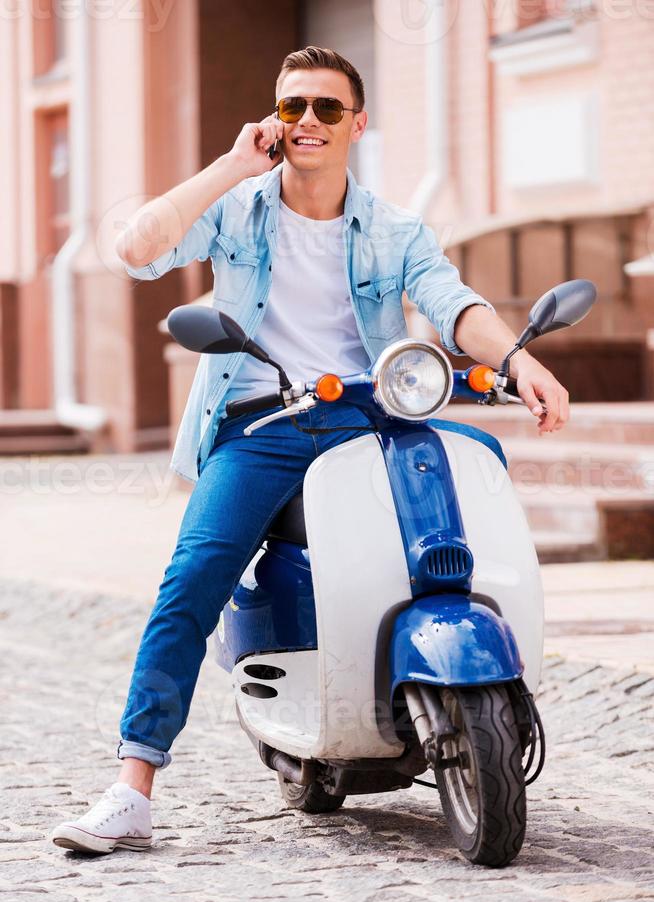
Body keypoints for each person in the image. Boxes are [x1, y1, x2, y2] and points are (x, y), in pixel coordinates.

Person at [51, 46, 568, 854]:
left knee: (468, 495)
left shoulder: (394, 228)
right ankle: (133, 787)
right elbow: (137, 246)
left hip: (373, 421)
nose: (311, 123)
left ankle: (454, 684)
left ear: (358, 123)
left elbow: (451, 301)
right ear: (275, 120)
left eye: (329, 108)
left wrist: (518, 359)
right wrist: (228, 165)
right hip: (260, 427)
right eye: (294, 108)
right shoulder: (239, 208)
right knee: (191, 578)